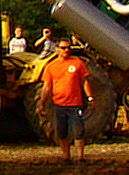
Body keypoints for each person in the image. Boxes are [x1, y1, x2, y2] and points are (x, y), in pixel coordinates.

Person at [37, 36, 95, 164]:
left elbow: (84, 81)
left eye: (68, 48)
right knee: (61, 132)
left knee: (79, 131)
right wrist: (42, 102)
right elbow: (47, 86)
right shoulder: (51, 67)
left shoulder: (78, 63)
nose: (66, 50)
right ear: (57, 49)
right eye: (63, 48)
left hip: (76, 104)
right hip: (59, 105)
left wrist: (90, 97)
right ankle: (66, 157)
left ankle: (80, 157)